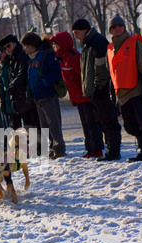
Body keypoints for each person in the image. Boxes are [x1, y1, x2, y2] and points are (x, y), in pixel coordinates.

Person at [106, 15, 142, 162]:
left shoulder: (134, 42)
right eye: (114, 27)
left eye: (120, 25)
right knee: (131, 125)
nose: (118, 28)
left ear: (124, 27)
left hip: (136, 89)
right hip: (122, 93)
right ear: (110, 30)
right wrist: (112, 91)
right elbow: (112, 71)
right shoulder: (110, 48)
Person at [71, 19, 122, 161]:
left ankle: (113, 151)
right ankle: (111, 150)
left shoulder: (97, 42)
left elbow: (101, 68)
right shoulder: (88, 44)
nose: (76, 36)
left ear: (84, 30)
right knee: (103, 120)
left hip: (102, 88)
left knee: (109, 120)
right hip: (95, 89)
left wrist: (99, 86)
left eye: (76, 33)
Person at [50, 31, 104, 159]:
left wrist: (87, 93)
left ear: (62, 44)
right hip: (77, 97)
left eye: (56, 44)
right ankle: (90, 148)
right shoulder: (62, 58)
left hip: (85, 96)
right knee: (85, 124)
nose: (54, 47)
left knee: (91, 124)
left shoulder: (73, 57)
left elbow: (83, 76)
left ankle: (97, 149)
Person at [20, 32, 66, 160]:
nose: (24, 49)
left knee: (54, 123)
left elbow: (57, 72)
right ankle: (52, 147)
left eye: (25, 46)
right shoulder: (31, 58)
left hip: (48, 94)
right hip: (38, 96)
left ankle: (59, 148)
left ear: (31, 45)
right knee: (45, 125)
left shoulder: (47, 55)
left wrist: (45, 82)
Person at [0, 34, 41, 131]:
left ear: (14, 44)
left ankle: (39, 146)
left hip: (27, 96)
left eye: (8, 46)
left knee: (34, 126)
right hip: (20, 99)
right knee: (29, 127)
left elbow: (23, 72)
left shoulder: (22, 55)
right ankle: (35, 146)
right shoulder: (12, 59)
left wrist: (14, 85)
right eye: (5, 48)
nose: (7, 49)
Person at [0, 49, 18, 129]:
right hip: (9, 101)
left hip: (19, 98)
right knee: (14, 127)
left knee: (28, 126)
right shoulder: (2, 69)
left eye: (3, 53)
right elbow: (2, 87)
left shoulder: (13, 65)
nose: (1, 56)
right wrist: (2, 100)